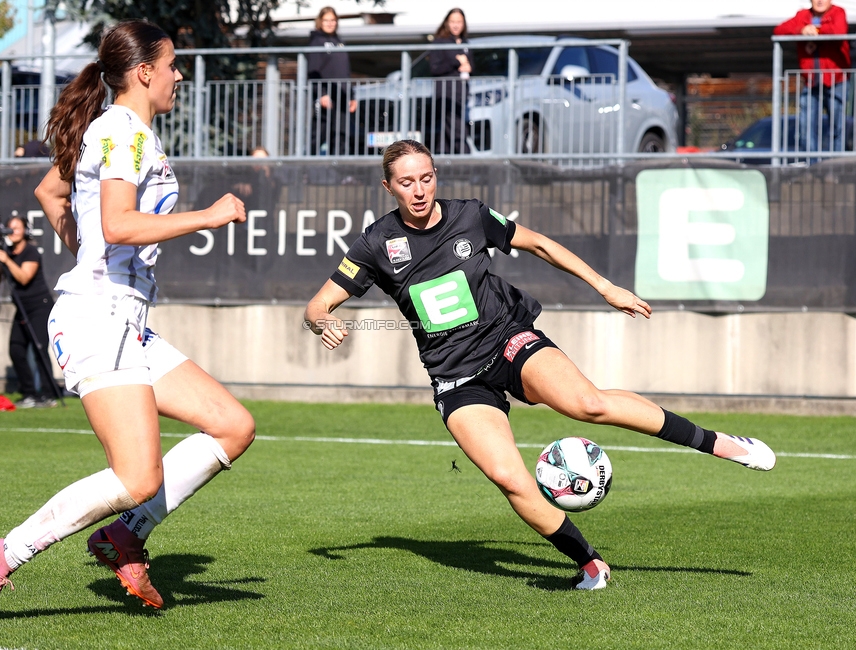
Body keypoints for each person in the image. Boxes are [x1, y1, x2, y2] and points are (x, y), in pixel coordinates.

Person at [304, 140, 776, 591]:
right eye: (407, 182)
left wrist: (605, 286)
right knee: (509, 478)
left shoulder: (470, 215)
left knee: (586, 404)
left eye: (427, 177)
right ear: (388, 187)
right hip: (456, 379)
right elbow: (316, 305)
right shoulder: (375, 243)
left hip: (507, 339)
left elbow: (541, 245)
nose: (420, 190)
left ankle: (718, 443)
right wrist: (323, 322)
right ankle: (590, 564)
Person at [0, 20, 255, 625]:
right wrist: (209, 215)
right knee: (138, 475)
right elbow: (119, 224)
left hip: (127, 320)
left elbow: (51, 191)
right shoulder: (123, 131)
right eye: (172, 65)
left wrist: (82, 243)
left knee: (231, 426)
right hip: (98, 320)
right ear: (144, 71)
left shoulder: (128, 131)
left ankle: (124, 538)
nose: (179, 76)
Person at [0, 214, 58, 409]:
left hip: (39, 305)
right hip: (21, 307)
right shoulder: (7, 252)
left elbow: (23, 277)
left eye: (17, 228)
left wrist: (7, 260)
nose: (12, 232)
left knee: (39, 349)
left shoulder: (31, 252)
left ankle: (47, 394)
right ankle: (28, 392)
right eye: (9, 228)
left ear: (25, 231)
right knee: (16, 349)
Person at [775, 0, 851, 153]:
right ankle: (813, 167)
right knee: (806, 127)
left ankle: (837, 166)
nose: (820, 1)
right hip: (811, 83)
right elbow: (779, 30)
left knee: (838, 126)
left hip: (836, 81)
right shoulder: (802, 15)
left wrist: (816, 30)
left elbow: (838, 30)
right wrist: (801, 30)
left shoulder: (838, 12)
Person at [308, 6, 357, 156]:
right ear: (320, 21)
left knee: (341, 134)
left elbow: (345, 71)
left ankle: (340, 173)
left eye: (333, 20)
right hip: (326, 97)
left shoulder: (339, 41)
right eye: (326, 20)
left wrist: (352, 96)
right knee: (320, 135)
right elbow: (312, 71)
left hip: (342, 97)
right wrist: (321, 94)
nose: (330, 23)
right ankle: (307, 172)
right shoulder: (317, 41)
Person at [429, 8, 471, 155]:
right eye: (453, 21)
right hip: (446, 93)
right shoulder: (440, 42)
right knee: (455, 127)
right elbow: (435, 68)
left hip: (462, 92)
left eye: (459, 22)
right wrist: (456, 62)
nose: (456, 25)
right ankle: (466, 159)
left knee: (450, 130)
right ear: (447, 23)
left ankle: (445, 162)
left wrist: (467, 66)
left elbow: (470, 65)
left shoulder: (465, 42)